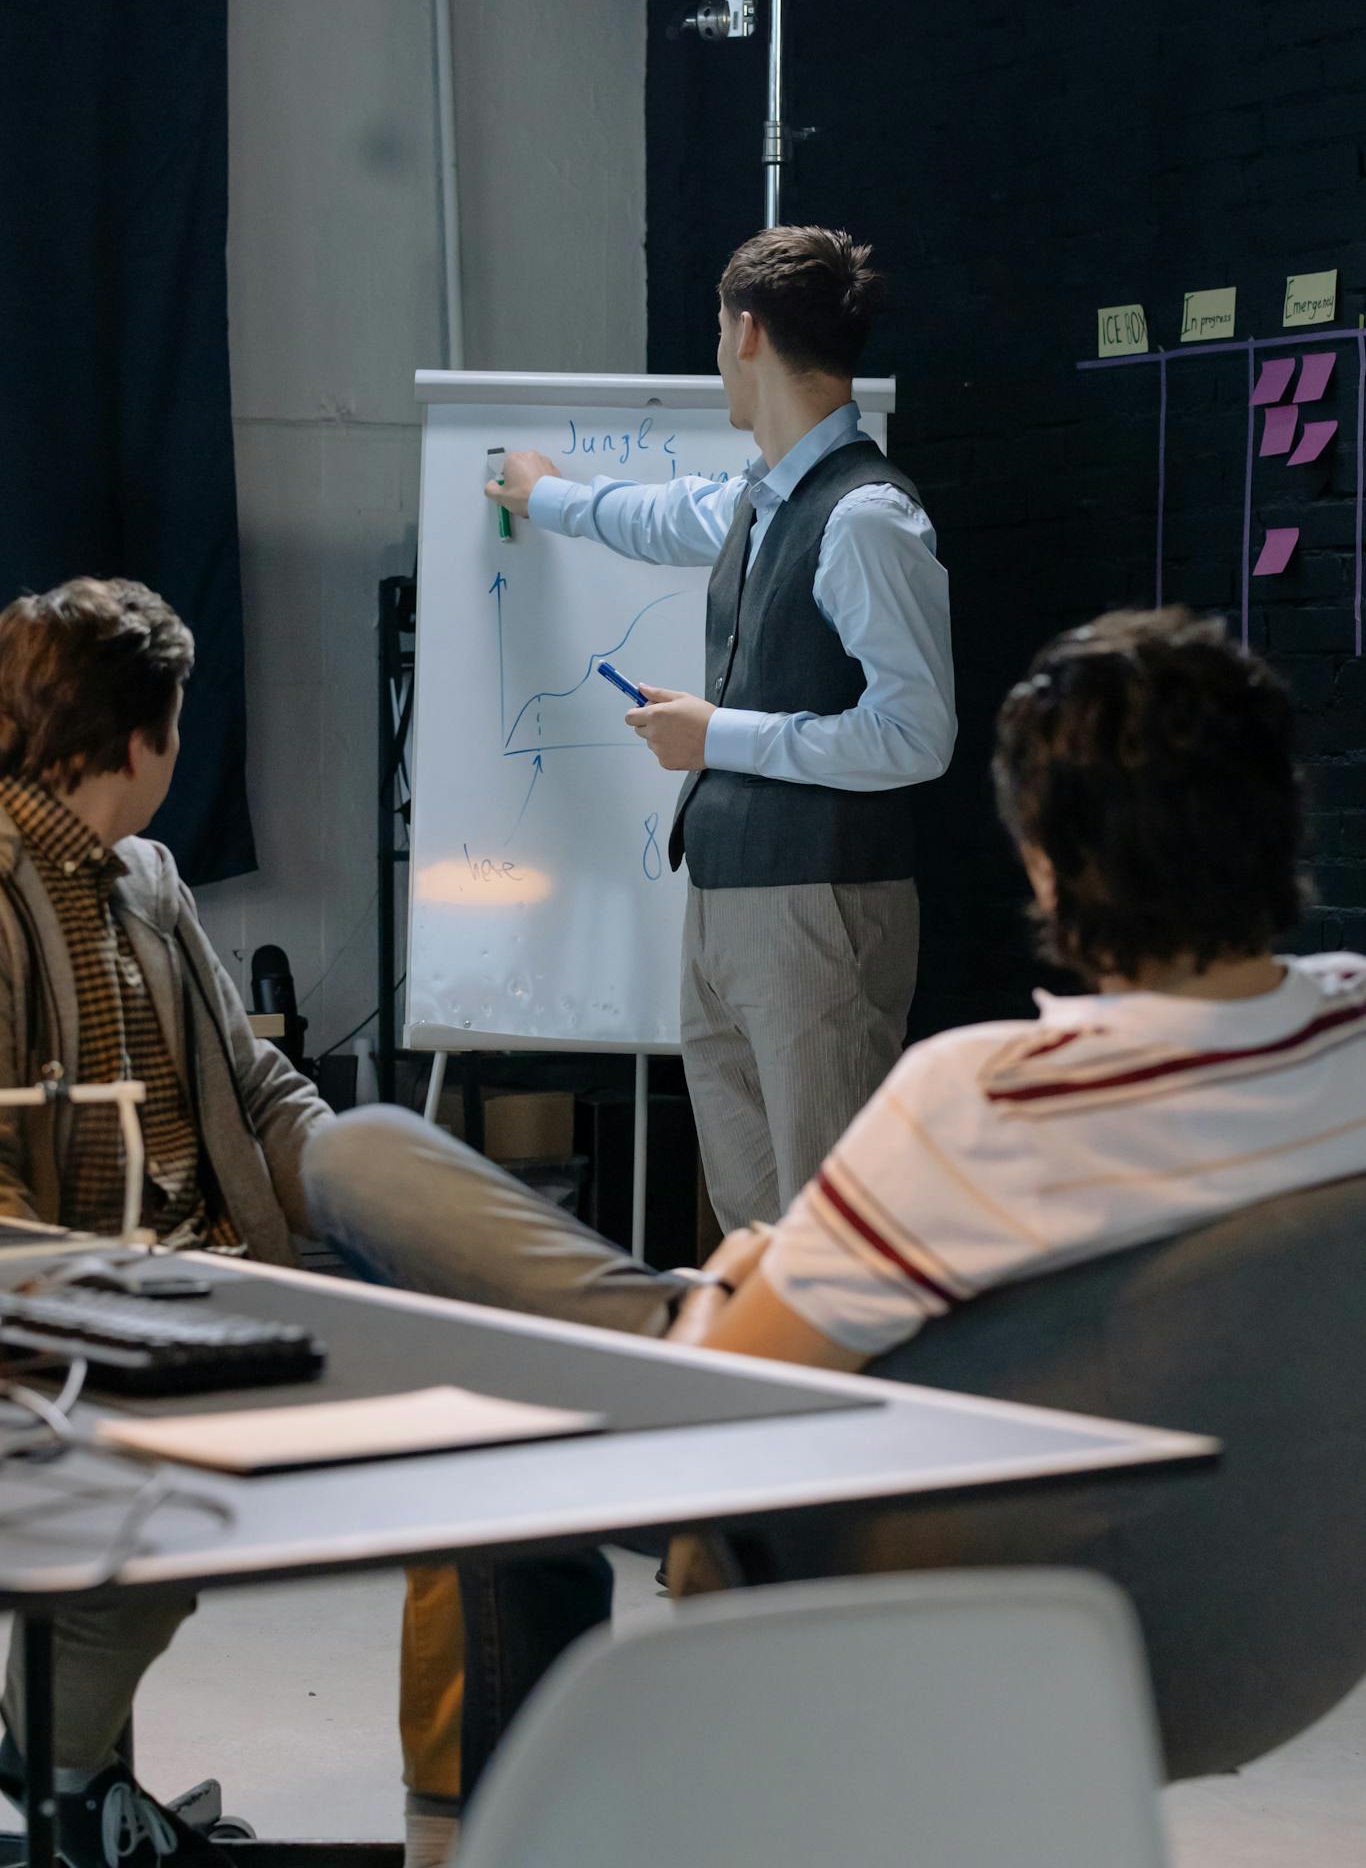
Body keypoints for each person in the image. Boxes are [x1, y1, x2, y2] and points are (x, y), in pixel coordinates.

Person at [303, 604, 1366, 1821]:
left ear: (1048, 862)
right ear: (1284, 819)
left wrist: (746, 1273)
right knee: (492, 1365)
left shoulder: (986, 1100)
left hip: (938, 1576)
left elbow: (720, 1399)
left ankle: (491, 1831)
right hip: (1264, 1627)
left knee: (371, 1163)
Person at [0, 579, 454, 1868]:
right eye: (179, 725)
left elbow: (255, 1084)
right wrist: (86, 1308)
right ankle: (56, 1763)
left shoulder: (146, 876)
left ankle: (74, 1779)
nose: (182, 751)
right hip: (70, 1317)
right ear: (137, 738)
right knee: (180, 1494)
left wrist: (382, 1192)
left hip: (198, 1284)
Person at [486, 225, 956, 1230]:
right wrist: (544, 495)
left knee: (828, 1221)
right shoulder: (766, 497)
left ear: (745, 333)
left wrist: (719, 736)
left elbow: (918, 734)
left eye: (713, 332)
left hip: (819, 905)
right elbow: (660, 516)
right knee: (750, 1218)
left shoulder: (866, 516)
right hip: (732, 901)